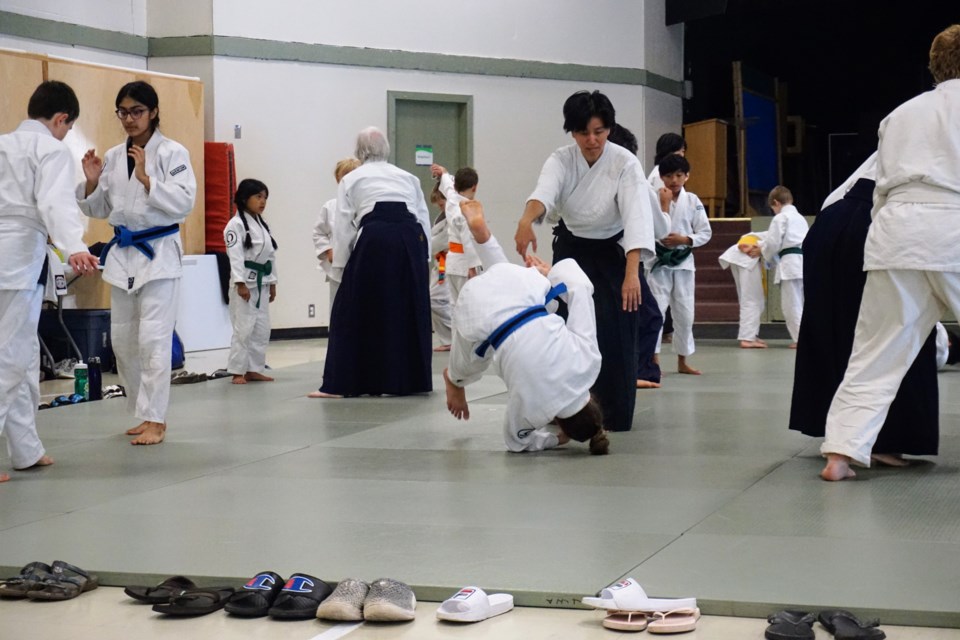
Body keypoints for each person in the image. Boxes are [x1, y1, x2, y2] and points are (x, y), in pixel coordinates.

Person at [821, 24, 960, 481]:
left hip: (895, 235)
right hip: (953, 228)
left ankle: (840, 453)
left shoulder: (900, 115)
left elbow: (881, 187)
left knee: (875, 354)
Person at [514, 90, 661, 432]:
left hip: (616, 255)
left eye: (600, 131)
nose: (592, 140)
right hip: (572, 251)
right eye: (583, 133)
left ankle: (614, 412)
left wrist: (632, 273)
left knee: (617, 330)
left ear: (609, 128)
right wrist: (525, 220)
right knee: (564, 327)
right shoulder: (562, 159)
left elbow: (636, 217)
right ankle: (567, 409)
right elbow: (543, 193)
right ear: (572, 131)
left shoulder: (624, 162)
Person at [790, 160, 938, 467]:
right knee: (893, 329)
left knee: (836, 329)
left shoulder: (903, 130)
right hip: (883, 219)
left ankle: (842, 436)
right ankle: (887, 440)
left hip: (830, 223)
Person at [79, 80, 197, 445]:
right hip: (123, 255)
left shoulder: (172, 153)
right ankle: (141, 411)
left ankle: (156, 419)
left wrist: (148, 181)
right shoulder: (115, 156)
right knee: (123, 340)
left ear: (154, 112)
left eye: (137, 111)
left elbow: (184, 203)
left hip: (158, 254)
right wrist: (92, 183)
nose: (129, 119)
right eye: (124, 112)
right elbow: (101, 209)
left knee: (153, 339)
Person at [445, 200, 609, 454]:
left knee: (526, 294)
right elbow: (516, 442)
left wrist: (552, 274)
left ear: (591, 400)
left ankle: (483, 238)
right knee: (468, 363)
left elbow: (580, 288)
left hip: (524, 287)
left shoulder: (588, 362)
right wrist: (554, 440)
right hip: (479, 309)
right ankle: (455, 381)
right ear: (561, 424)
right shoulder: (531, 412)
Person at [0, 81, 99, 482]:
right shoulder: (51, 149)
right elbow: (54, 201)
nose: (65, 135)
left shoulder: (2, 143)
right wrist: (74, 244)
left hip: (16, 251)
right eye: (67, 127)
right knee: (9, 356)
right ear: (61, 119)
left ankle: (26, 449)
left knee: (22, 355)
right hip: (18, 255)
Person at [310, 127, 432, 398]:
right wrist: (424, 259)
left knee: (350, 308)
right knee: (407, 305)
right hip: (411, 237)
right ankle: (410, 381)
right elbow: (423, 218)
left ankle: (340, 385)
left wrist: (340, 268)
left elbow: (343, 226)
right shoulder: (408, 177)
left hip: (375, 236)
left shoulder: (352, 178)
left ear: (359, 150)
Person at [606, 123, 664, 389]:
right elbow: (661, 228)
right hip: (625, 261)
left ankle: (632, 370)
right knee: (648, 317)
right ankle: (638, 371)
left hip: (586, 257)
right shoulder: (637, 179)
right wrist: (664, 206)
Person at [646, 154, 712, 374]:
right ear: (661, 177)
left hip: (683, 263)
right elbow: (648, 229)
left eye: (678, 175)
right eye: (668, 176)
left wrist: (684, 239)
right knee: (657, 311)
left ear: (687, 176)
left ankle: (683, 361)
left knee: (685, 313)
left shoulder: (693, 201)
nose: (674, 180)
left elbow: (705, 232)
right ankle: (653, 360)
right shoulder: (653, 199)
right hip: (659, 262)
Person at [224, 179, 278, 385]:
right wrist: (240, 283)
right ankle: (238, 371)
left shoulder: (263, 225)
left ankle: (254, 368)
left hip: (262, 283)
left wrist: (273, 282)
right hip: (245, 283)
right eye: (258, 196)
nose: (263, 201)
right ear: (245, 198)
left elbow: (270, 256)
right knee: (244, 328)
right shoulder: (235, 225)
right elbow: (235, 256)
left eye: (265, 197)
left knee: (262, 328)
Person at [647, 133, 686, 343]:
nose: (682, 154)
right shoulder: (658, 177)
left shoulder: (670, 176)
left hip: (673, 242)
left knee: (676, 302)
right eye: (680, 151)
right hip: (660, 242)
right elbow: (658, 212)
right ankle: (653, 353)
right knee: (658, 300)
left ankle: (668, 336)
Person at [760, 185, 807, 348]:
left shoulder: (781, 218)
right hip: (803, 262)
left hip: (790, 264)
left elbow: (773, 243)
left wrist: (765, 255)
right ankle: (805, 336)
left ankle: (801, 339)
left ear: (775, 203)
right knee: (802, 303)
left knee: (791, 304)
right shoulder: (800, 218)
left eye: (773, 208)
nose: (774, 211)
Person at [313, 157, 361, 316]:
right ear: (338, 179)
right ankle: (337, 340)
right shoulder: (330, 207)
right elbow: (319, 233)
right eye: (345, 176)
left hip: (362, 265)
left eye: (354, 175)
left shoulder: (367, 206)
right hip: (337, 269)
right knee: (338, 310)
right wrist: (328, 250)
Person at [431, 164, 482, 306]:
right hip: (464, 264)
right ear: (474, 187)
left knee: (454, 306)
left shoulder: (452, 199)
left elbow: (447, 185)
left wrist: (444, 173)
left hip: (451, 263)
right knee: (467, 305)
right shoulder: (465, 210)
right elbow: (467, 239)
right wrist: (473, 266)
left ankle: (454, 329)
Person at [718, 231, 768, 348]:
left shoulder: (784, 223)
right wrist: (760, 249)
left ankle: (750, 335)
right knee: (752, 299)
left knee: (750, 299)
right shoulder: (789, 226)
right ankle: (748, 338)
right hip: (747, 256)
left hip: (741, 256)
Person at [428, 184, 453, 351]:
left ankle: (457, 337)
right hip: (441, 262)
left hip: (450, 262)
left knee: (435, 299)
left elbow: (439, 242)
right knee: (437, 300)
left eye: (442, 201)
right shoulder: (442, 217)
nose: (439, 204)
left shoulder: (455, 215)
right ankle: (450, 339)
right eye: (438, 201)